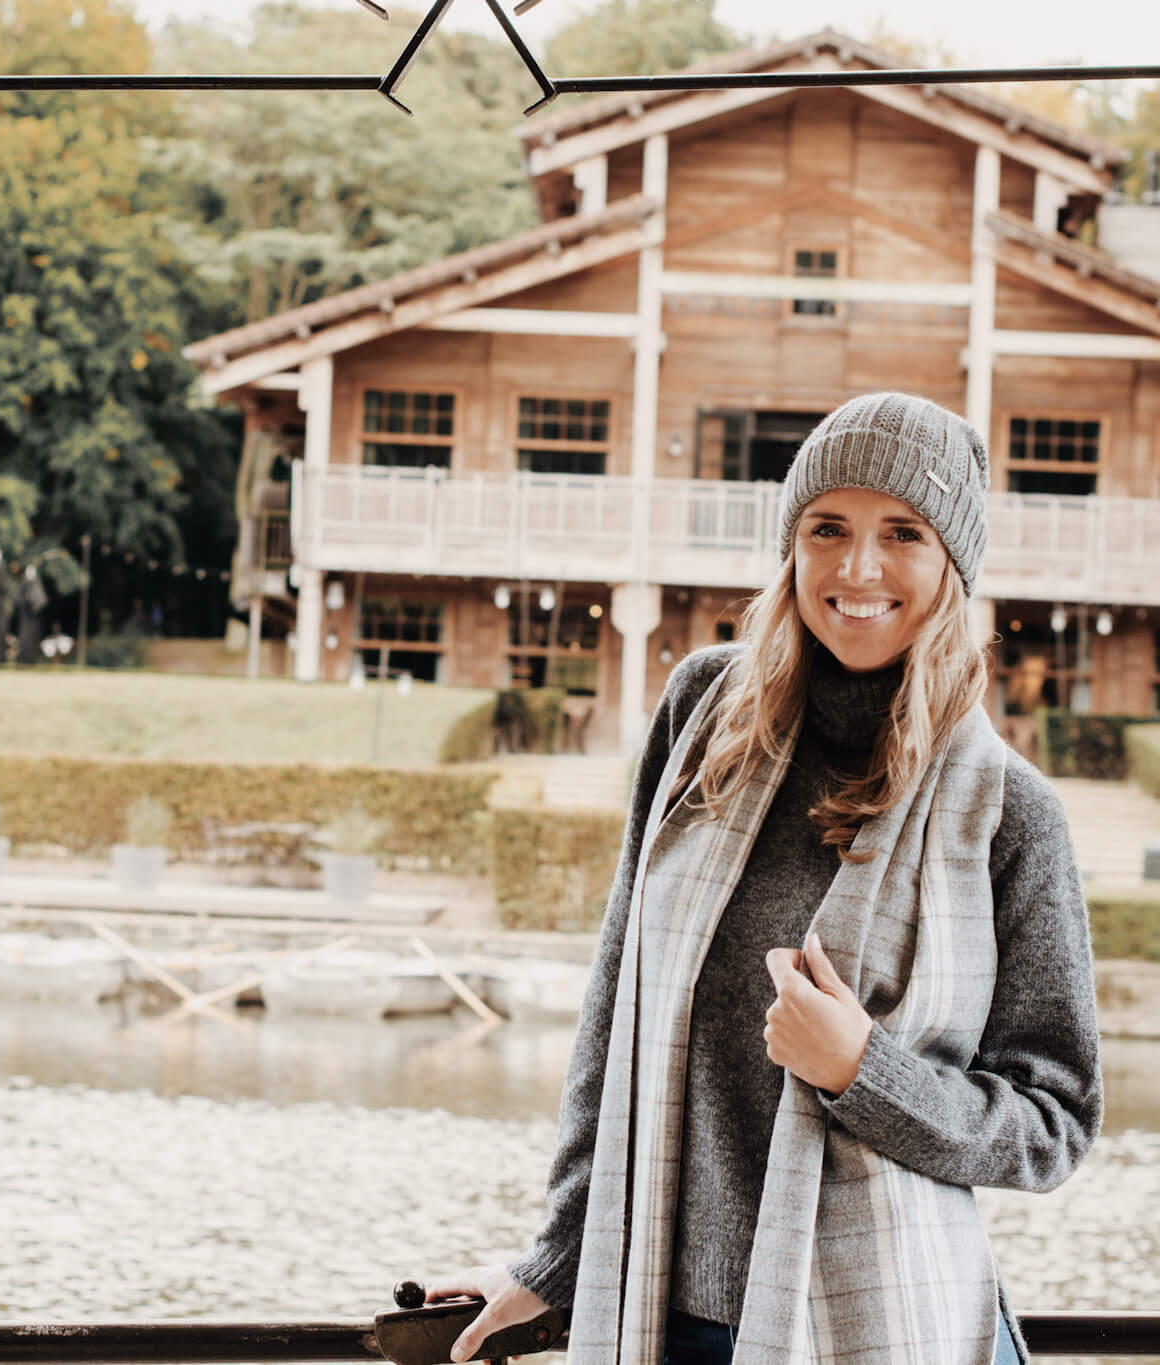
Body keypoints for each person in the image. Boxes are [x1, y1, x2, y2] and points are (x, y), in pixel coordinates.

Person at [428, 393, 1102, 1365]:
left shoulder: (1006, 811)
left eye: (901, 533)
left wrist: (862, 1072)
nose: (856, 568)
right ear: (790, 543)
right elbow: (619, 995)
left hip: (885, 1328)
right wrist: (559, 1253)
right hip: (668, 1317)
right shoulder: (702, 712)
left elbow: (1053, 1122)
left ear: (950, 564)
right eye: (826, 527)